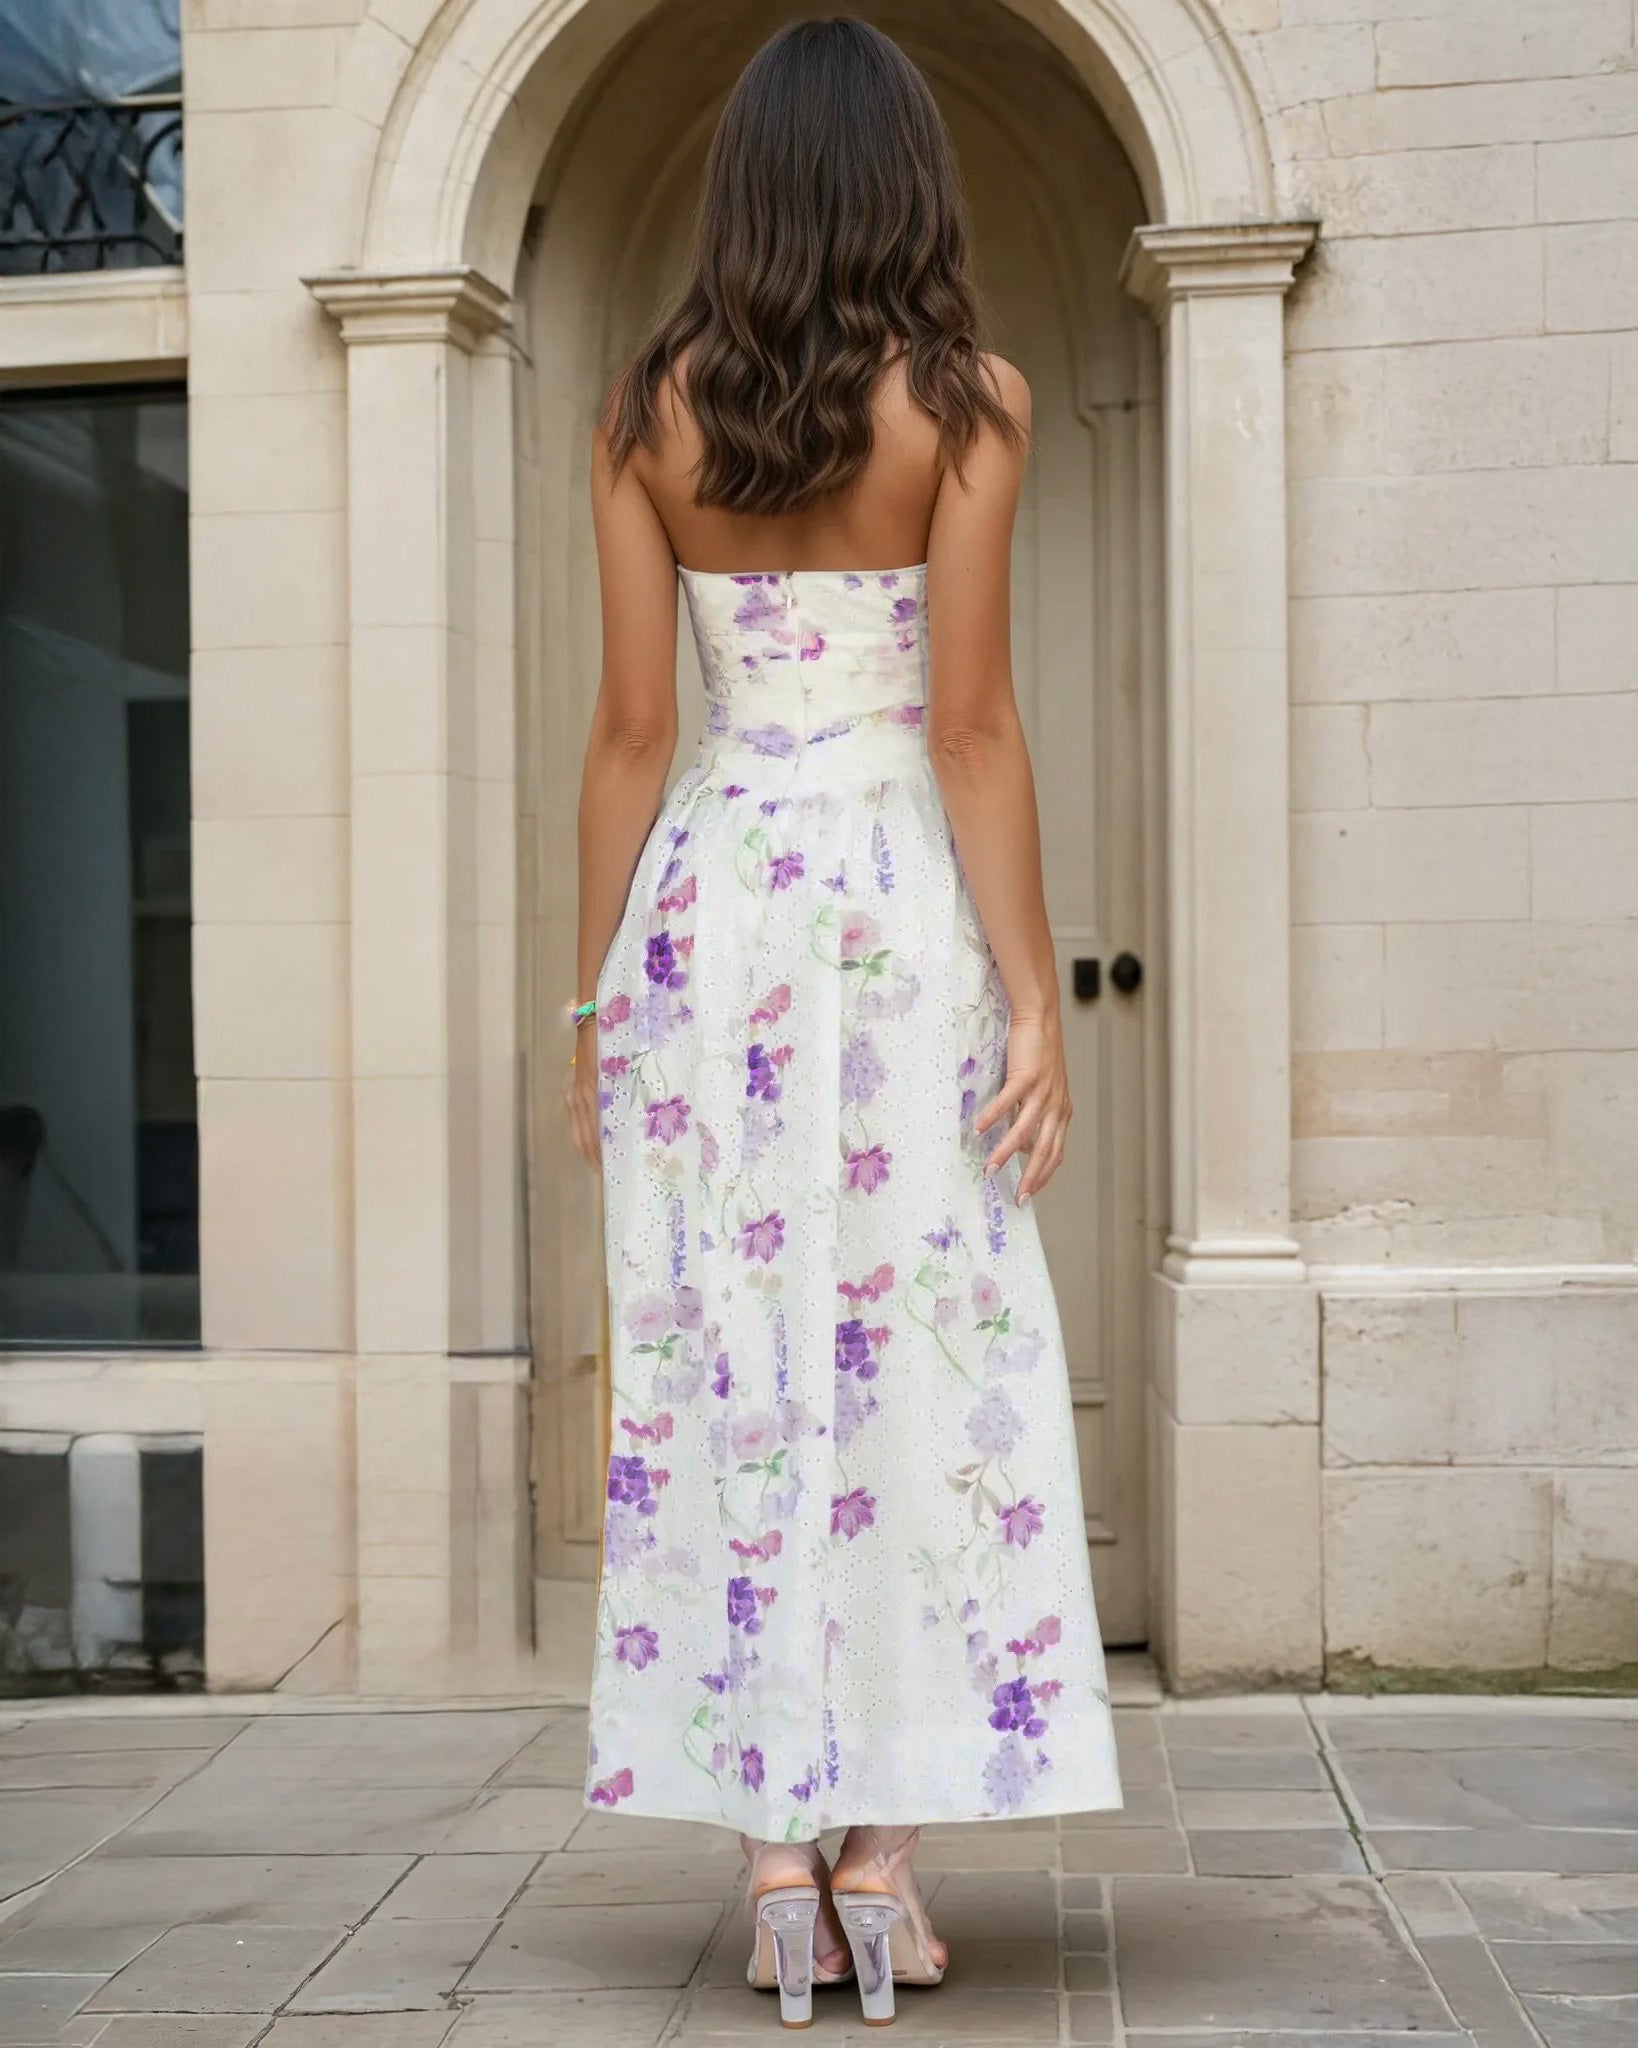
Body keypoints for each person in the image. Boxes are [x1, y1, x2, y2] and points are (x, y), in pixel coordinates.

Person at [565, 16, 1122, 2029]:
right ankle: (881, 1853)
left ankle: (774, 1872)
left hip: (710, 923)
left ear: (741, 193)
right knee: (910, 1361)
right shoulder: (970, 404)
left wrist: (588, 1000)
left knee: (728, 1359)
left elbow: (634, 737)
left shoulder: (643, 410)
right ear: (908, 185)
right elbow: (969, 724)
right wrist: (1032, 991)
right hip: (890, 914)